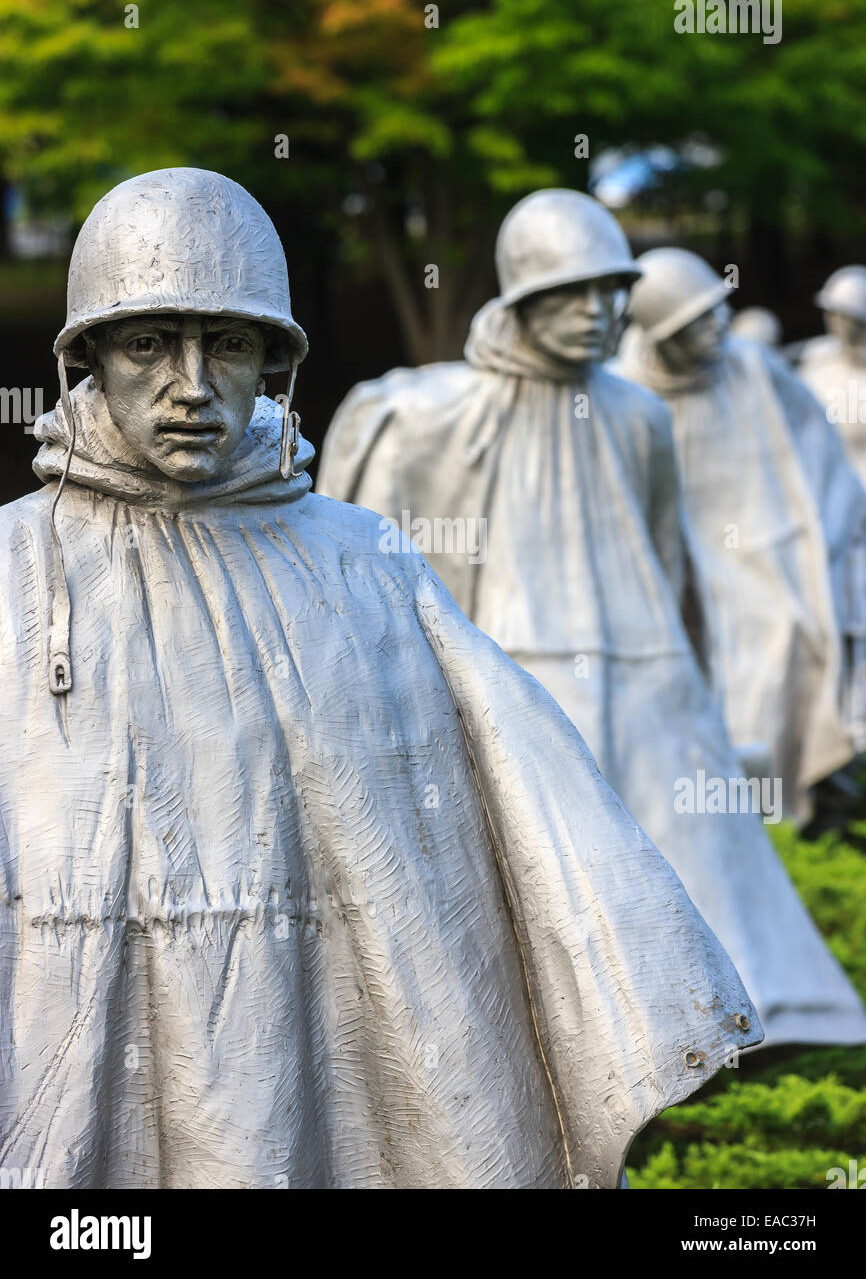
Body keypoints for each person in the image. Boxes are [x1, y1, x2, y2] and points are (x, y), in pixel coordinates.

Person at [0, 167, 764, 1190]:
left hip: (312, 1062)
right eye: (147, 342)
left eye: (226, 343)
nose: (190, 382)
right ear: (86, 356)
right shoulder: (15, 571)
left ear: (271, 359)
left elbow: (519, 820)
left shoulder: (363, 561)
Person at [319, 188, 866, 1051]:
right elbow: (368, 582)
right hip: (519, 670)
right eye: (572, 293)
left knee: (696, 888)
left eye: (611, 293)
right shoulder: (435, 414)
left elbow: (672, 561)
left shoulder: (638, 415)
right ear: (521, 299)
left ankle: (713, 1029)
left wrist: (699, 690)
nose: (598, 313)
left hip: (650, 675)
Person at [618, 247, 866, 827]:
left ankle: (787, 813)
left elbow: (821, 457)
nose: (719, 327)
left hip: (776, 549)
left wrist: (827, 539)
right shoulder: (627, 390)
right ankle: (732, 818)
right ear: (661, 335)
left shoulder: (753, 365)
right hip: (685, 565)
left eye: (716, 311)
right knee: (718, 670)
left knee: (787, 639)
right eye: (696, 321)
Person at [800, 266, 866, 484]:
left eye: (842, 315)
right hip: (825, 478)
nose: (833, 321)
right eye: (829, 313)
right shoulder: (817, 357)